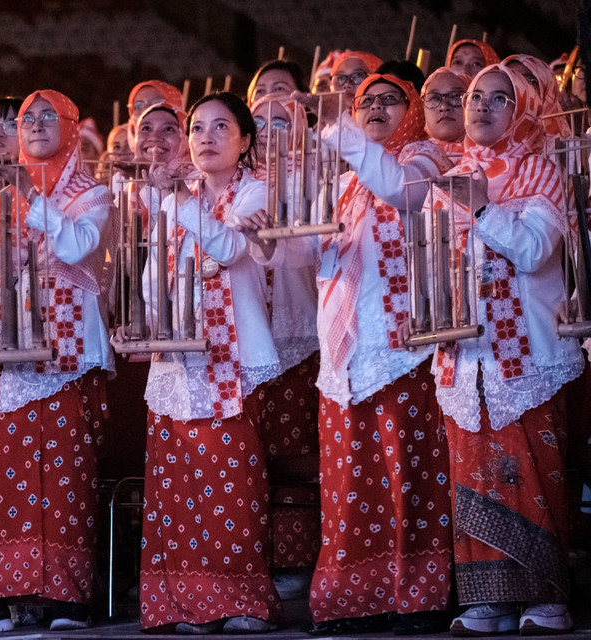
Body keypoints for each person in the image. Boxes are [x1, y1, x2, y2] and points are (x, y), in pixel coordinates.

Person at [0, 89, 114, 634]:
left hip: (71, 352)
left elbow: (79, 247)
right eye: (25, 118)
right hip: (11, 354)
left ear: (71, 128)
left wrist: (33, 196)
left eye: (44, 117)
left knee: (63, 474)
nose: (32, 125)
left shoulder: (94, 194)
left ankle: (67, 599)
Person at [427, 63, 584, 637]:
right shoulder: (448, 177)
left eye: (500, 98)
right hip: (465, 356)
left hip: (528, 360)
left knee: (533, 472)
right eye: (475, 97)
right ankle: (487, 599)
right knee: (472, 474)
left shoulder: (540, 171)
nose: (482, 107)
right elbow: (432, 266)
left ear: (524, 109)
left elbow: (537, 252)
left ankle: (546, 596)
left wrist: (485, 207)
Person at [297, 73, 454, 635]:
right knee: (349, 484)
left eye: (392, 100)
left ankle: (418, 595)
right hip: (343, 352)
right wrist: (270, 237)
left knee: (407, 476)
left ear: (412, 110)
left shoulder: (427, 161)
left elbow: (402, 194)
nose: (377, 109)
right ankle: (351, 597)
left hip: (402, 347)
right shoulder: (340, 181)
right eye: (367, 102)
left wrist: (339, 127)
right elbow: (302, 253)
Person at [139, 91, 282, 634]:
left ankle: (241, 601)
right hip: (178, 354)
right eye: (197, 127)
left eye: (221, 127)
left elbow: (231, 249)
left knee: (233, 479)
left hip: (234, 357)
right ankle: (186, 603)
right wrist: (161, 318)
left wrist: (176, 203)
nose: (205, 137)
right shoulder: (180, 196)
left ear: (245, 141)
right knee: (179, 483)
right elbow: (153, 273)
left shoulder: (256, 192)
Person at [247, 94, 322, 599]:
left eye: (282, 122)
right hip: (252, 333)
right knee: (256, 450)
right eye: (259, 123)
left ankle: (298, 559)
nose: (270, 132)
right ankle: (259, 558)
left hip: (299, 329)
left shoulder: (314, 177)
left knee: (294, 447)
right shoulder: (237, 184)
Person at [421, 67, 469, 157]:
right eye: (434, 98)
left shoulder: (491, 155)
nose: (444, 106)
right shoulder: (408, 155)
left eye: (456, 96)